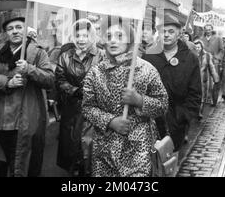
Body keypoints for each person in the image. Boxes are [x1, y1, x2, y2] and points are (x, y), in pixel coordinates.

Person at [82, 19, 168, 177]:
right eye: (109, 35)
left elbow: (162, 104)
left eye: (119, 35)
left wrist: (140, 100)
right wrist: (110, 121)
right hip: (104, 153)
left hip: (138, 150)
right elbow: (87, 108)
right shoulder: (95, 72)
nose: (113, 40)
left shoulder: (146, 70)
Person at [0, 17, 54, 177]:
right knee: (1, 164)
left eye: (19, 27)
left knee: (23, 165)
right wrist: (8, 82)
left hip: (26, 119)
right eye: (10, 28)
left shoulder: (38, 52)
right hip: (1, 119)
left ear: (26, 30)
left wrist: (29, 69)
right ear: (6, 33)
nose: (15, 31)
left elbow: (49, 79)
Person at [144, 15, 201, 150]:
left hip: (177, 121)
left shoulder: (190, 58)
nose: (167, 35)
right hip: (151, 120)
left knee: (170, 161)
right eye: (164, 31)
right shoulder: (149, 56)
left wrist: (184, 117)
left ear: (179, 34)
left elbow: (196, 92)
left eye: (171, 32)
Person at [55, 19, 103, 176]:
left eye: (85, 35)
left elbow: (109, 80)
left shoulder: (101, 55)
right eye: (78, 35)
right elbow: (60, 79)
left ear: (92, 36)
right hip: (72, 110)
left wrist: (93, 91)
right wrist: (74, 90)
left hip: (95, 111)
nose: (82, 39)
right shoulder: (65, 56)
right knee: (72, 149)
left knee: (91, 151)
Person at [200, 24, 224, 106]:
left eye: (209, 29)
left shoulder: (218, 38)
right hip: (204, 61)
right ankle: (206, 98)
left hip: (214, 62)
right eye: (206, 29)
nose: (208, 31)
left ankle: (214, 100)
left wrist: (217, 58)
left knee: (215, 81)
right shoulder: (201, 39)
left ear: (212, 30)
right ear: (204, 30)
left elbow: (222, 50)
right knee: (205, 80)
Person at [194, 40, 219, 119]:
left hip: (203, 79)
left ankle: (199, 112)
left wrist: (215, 78)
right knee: (194, 96)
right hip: (193, 80)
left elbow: (211, 67)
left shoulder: (207, 56)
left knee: (202, 96)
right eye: (196, 47)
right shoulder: (191, 55)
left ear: (201, 47)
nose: (197, 49)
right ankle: (195, 111)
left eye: (199, 47)